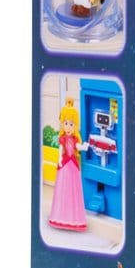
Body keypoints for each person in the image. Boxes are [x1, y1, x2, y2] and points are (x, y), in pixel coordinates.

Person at [48, 97, 88, 232]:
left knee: (73, 191)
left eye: (71, 124)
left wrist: (84, 147)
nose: (68, 127)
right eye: (66, 123)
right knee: (63, 189)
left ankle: (74, 218)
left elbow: (77, 146)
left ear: (75, 125)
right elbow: (60, 150)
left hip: (73, 165)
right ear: (62, 124)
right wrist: (59, 159)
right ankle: (60, 216)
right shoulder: (63, 138)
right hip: (65, 164)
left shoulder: (75, 138)